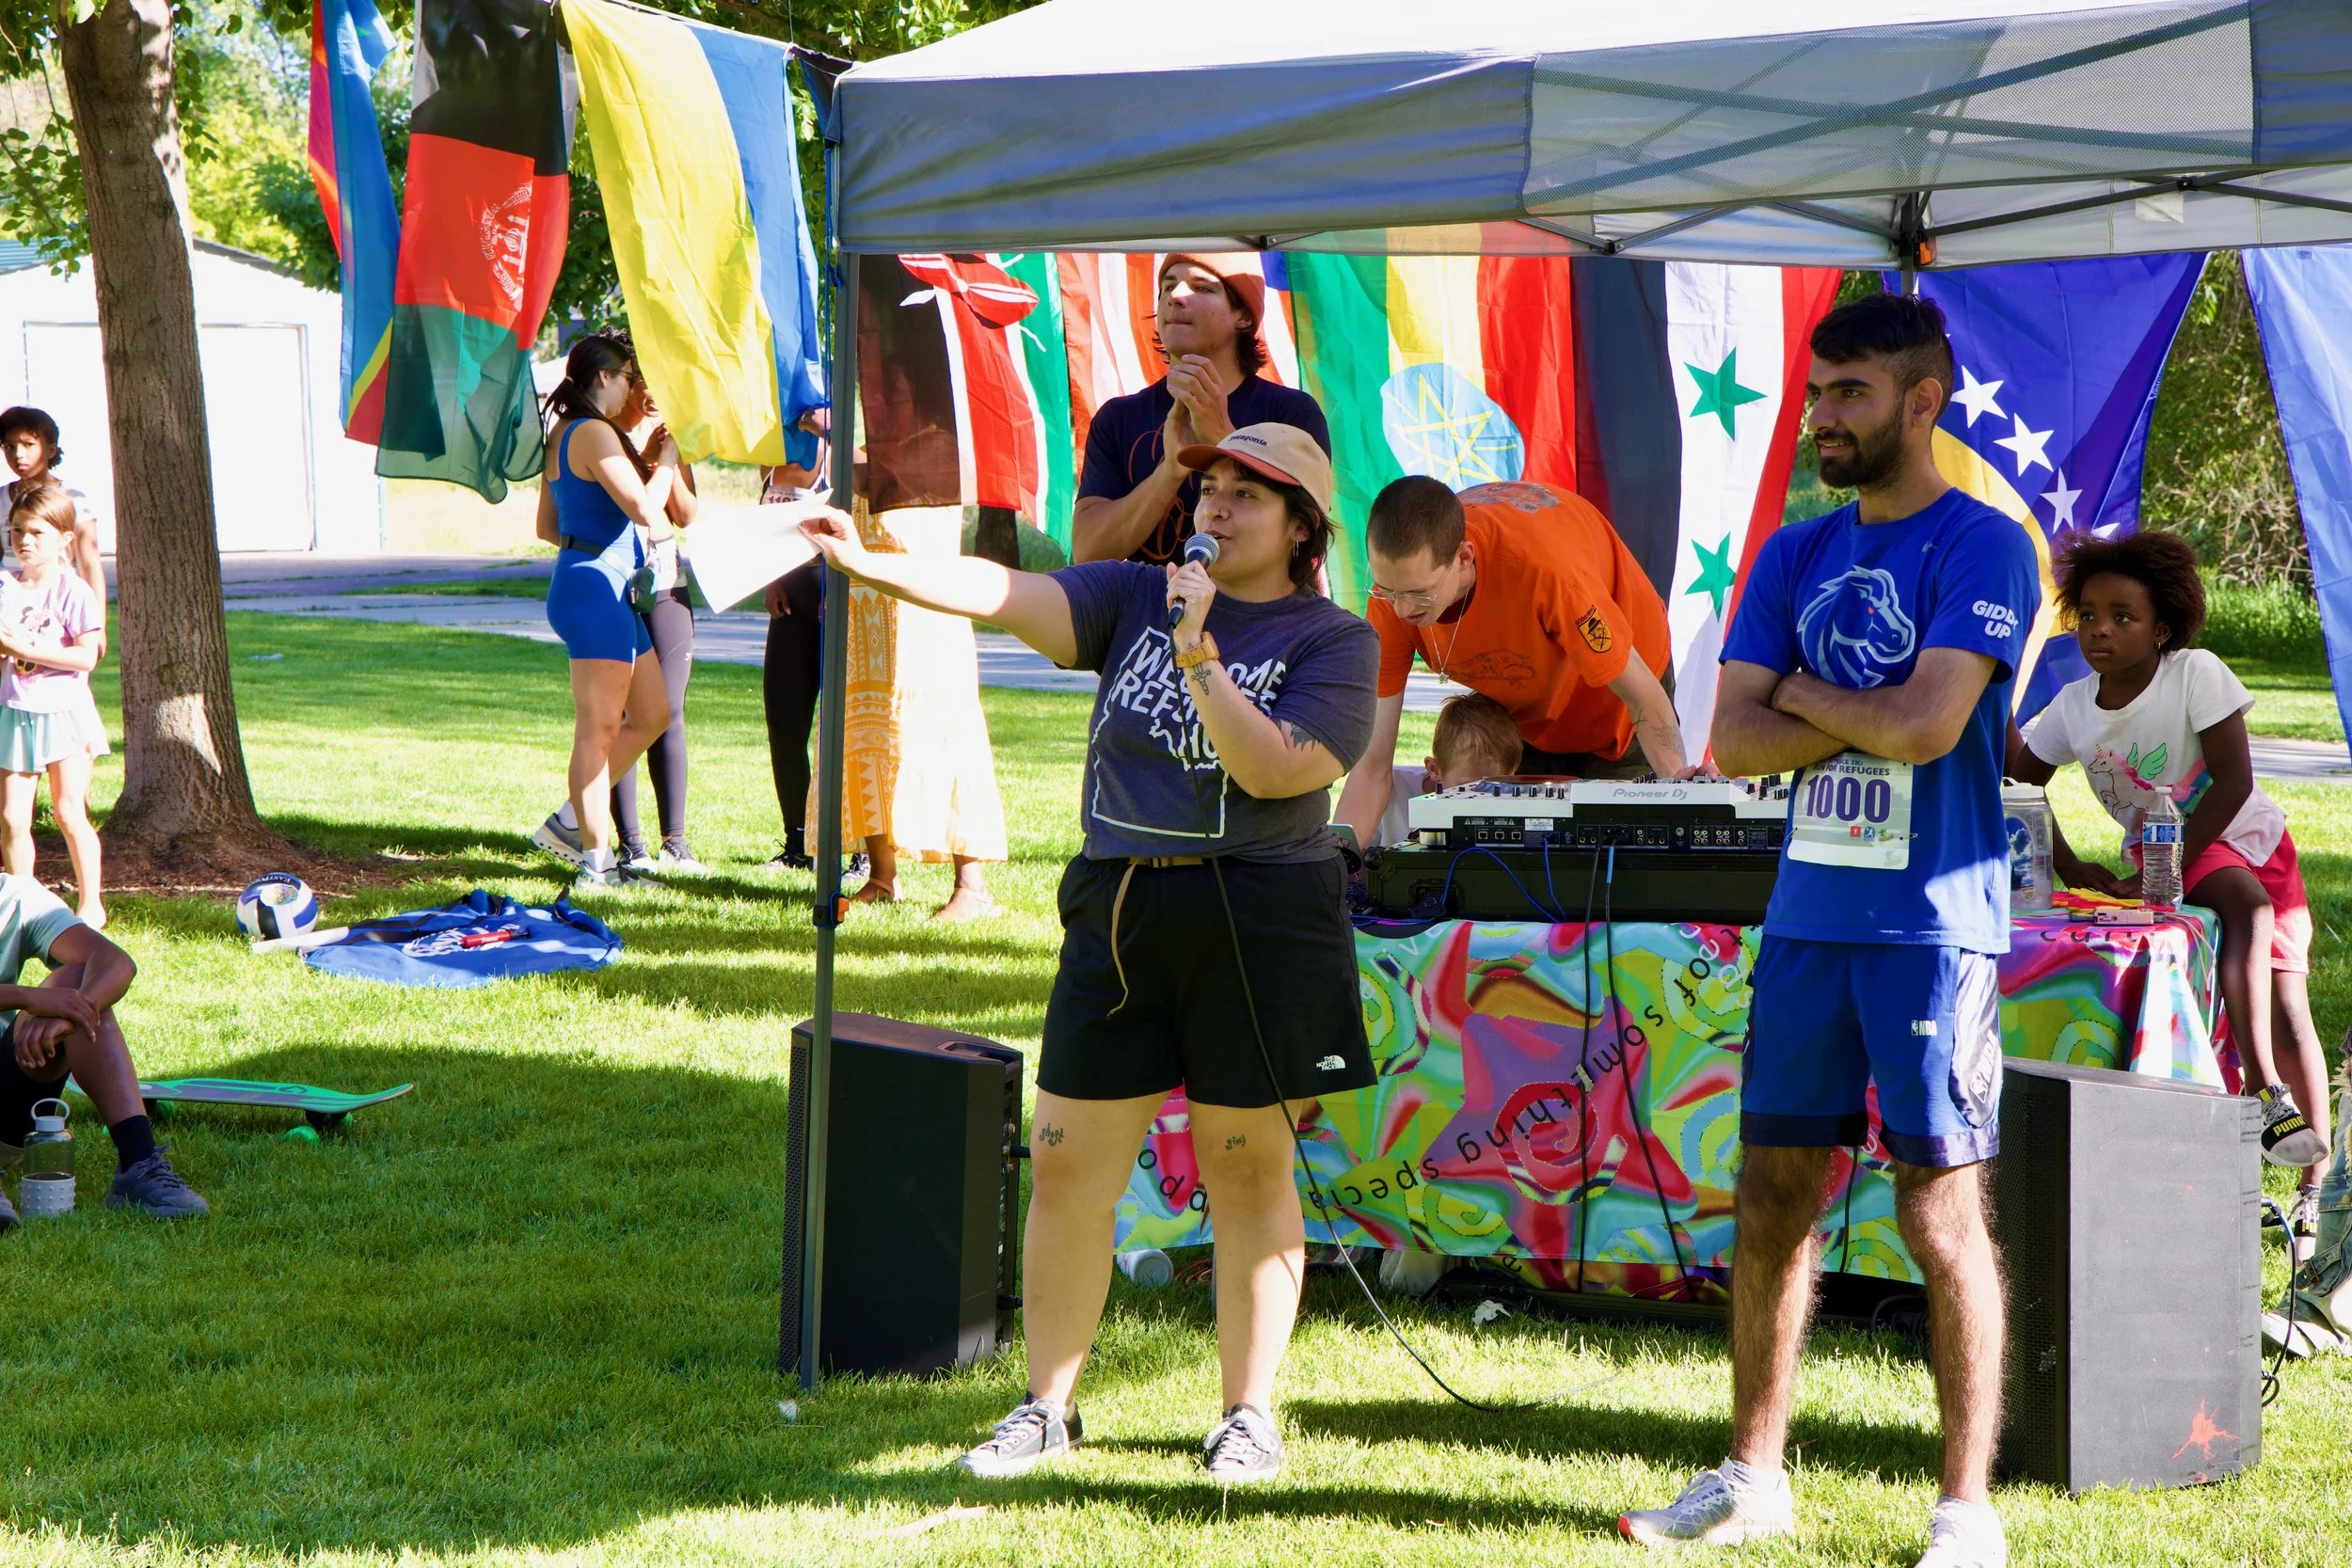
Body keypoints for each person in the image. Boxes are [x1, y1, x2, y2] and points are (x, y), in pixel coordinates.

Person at [801, 421, 1377, 1484]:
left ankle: (1246, 1412)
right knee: (1067, 1162)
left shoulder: (1334, 638)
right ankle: (1046, 1406)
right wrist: (869, 558)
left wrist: (1200, 649)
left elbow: (1273, 771)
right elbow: (1000, 588)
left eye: (1248, 493)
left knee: (1245, 1170)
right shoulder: (1128, 594)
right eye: (1208, 485)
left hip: (1255, 919)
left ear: (1302, 528)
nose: (1215, 504)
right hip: (1119, 910)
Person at [1619, 294, 2038, 1568]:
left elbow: (1928, 727)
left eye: (1849, 394)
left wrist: (1799, 689)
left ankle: (1967, 1509)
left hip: (1932, 925)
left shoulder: (1985, 545)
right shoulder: (1793, 553)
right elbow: (1730, 739)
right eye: (1816, 395)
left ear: (1923, 402)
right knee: (1772, 1197)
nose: (1821, 418)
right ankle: (1754, 1474)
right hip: (1809, 921)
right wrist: (1844, 703)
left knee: (1939, 1211)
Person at [2007, 531, 2330, 1231]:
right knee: (2242, 909)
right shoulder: (2072, 706)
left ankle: (2314, 1183)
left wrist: (2169, 864)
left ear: (2161, 627)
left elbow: (2235, 781)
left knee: (2289, 1006)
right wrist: (2072, 865)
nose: (2100, 629)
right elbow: (2018, 782)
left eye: (2122, 616)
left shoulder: (2196, 673)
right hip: (2172, 853)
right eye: (2088, 613)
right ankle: (2262, 1087)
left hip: (2242, 837)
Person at [1335, 477, 1690, 846]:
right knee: (1521, 860)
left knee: (1621, 854)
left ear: (1463, 558)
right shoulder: (1394, 595)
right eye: (1387, 590)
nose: (1402, 609)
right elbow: (1372, 768)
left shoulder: (1548, 575)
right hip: (1529, 704)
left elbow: (1645, 699)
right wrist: (1335, 868)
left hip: (1620, 702)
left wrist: (1685, 794)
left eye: (1419, 595)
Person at [526, 334, 675, 891]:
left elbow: (546, 527)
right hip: (593, 592)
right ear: (603, 378)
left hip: (596, 584)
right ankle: (596, 862)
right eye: (629, 379)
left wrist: (590, 534)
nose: (634, 390)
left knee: (654, 712)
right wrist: (666, 461)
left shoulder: (563, 433)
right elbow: (643, 508)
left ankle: (569, 821)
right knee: (599, 729)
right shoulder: (589, 431)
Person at [1071, 255, 1329, 565]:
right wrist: (1169, 472)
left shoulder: (1291, 413)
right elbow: (1089, 554)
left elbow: (1306, 536)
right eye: (1167, 286)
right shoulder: (1117, 418)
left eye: (1202, 288)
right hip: (1148, 613)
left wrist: (1225, 439)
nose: (1175, 297)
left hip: (1260, 614)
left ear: (1243, 316)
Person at [0, 875, 205, 1226]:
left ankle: (139, 1166)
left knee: (77, 981)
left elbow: (114, 961)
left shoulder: (13, 896)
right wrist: (28, 996)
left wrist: (73, 1013)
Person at [605, 365, 704, 876]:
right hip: (619, 584)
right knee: (628, 715)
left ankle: (676, 843)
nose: (652, 395)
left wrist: (669, 458)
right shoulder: (603, 435)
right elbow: (636, 510)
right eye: (642, 383)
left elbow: (683, 515)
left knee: (669, 711)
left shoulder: (666, 437)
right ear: (623, 384)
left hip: (667, 583)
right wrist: (650, 465)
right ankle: (632, 845)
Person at [0, 483, 109, 927]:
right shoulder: (5, 587)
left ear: (64, 539)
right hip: (15, 712)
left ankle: (91, 905)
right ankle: (21, 906)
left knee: (69, 813)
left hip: (64, 713)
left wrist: (19, 647)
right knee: (10, 818)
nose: (24, 541)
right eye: (16, 531)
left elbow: (86, 656)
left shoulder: (73, 592)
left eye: (36, 533)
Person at [0, 406, 108, 633]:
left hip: (57, 606)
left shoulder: (74, 498)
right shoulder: (1, 498)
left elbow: (89, 563)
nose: (18, 454)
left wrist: (97, 629)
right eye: (9, 446)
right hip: (9, 603)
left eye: (28, 444)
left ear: (50, 449)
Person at [1371, 691, 1523, 848]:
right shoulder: (1387, 790)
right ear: (1435, 770)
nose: (1479, 800)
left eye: (1494, 789)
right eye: (1466, 788)